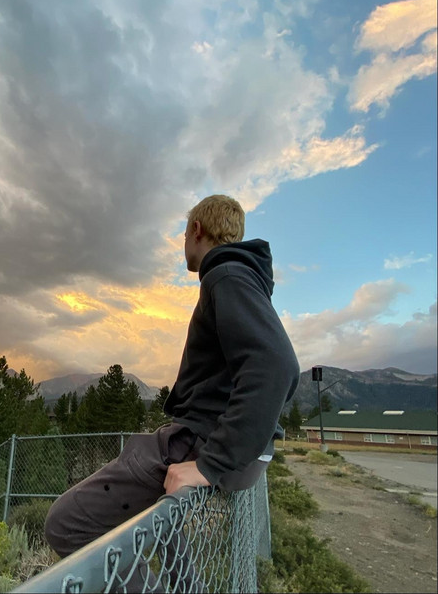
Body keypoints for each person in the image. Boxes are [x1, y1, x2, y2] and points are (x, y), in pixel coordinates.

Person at [44, 194, 300, 562]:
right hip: (221, 447)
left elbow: (277, 366)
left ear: (196, 230)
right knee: (160, 525)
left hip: (200, 443)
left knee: (65, 523)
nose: (183, 244)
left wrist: (211, 463)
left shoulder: (227, 275)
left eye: (183, 236)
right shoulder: (240, 277)